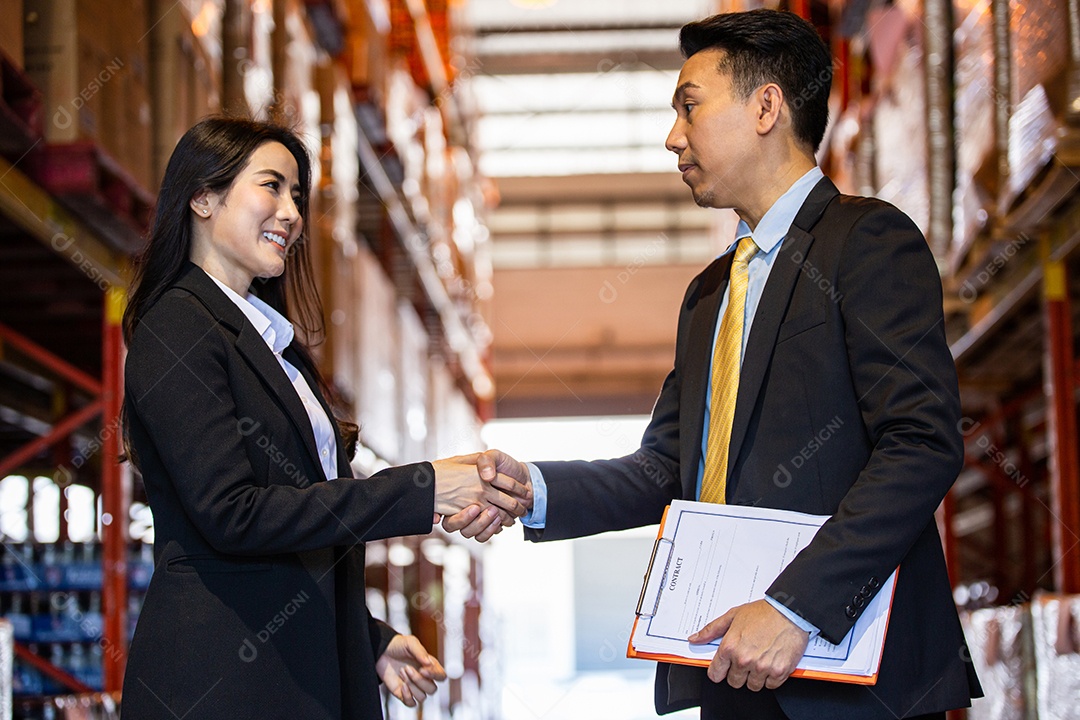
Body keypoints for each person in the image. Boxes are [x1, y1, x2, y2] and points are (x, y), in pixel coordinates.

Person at [445, 9, 982, 720]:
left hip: (851, 683)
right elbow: (665, 470)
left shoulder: (867, 243)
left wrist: (797, 607)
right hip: (728, 666)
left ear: (766, 106)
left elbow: (922, 443)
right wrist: (530, 489)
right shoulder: (709, 295)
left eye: (689, 109)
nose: (673, 138)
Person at [120, 116, 527, 719]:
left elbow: (295, 540)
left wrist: (367, 641)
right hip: (220, 685)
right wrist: (425, 487)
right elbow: (233, 516)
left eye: (297, 196)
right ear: (201, 197)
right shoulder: (176, 324)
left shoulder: (275, 348)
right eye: (271, 186)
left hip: (286, 677)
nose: (291, 213)